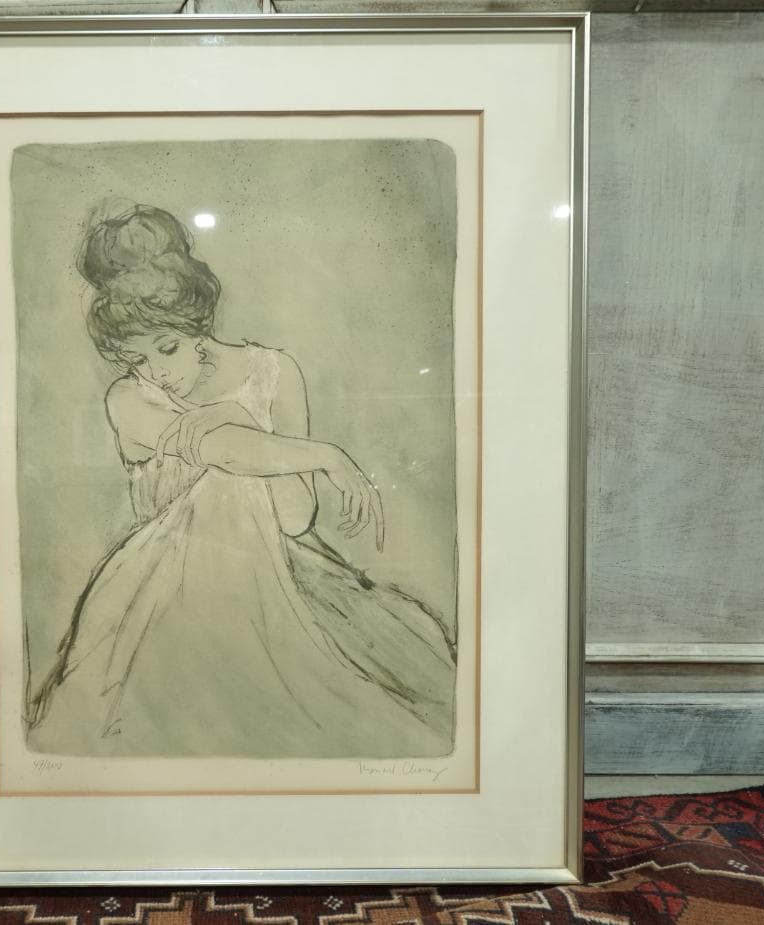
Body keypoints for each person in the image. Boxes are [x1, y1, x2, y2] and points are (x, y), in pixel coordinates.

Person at [25, 204, 456, 759]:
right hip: (164, 588)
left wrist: (248, 430)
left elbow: (295, 519)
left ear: (197, 327)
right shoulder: (129, 398)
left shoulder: (272, 371)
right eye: (135, 358)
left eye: (167, 348)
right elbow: (224, 452)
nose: (156, 371)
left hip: (290, 574)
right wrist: (324, 455)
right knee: (225, 481)